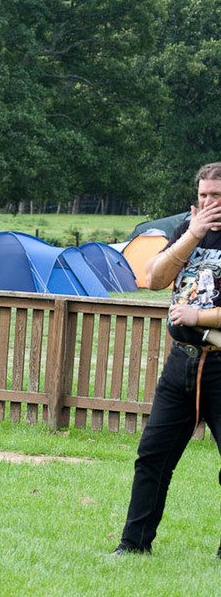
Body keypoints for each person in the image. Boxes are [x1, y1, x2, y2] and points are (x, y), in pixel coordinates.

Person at [110, 161, 221, 556]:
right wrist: (192, 234)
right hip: (182, 364)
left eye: (217, 197)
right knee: (152, 457)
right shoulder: (186, 234)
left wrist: (199, 316)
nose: (209, 203)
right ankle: (133, 546)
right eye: (203, 196)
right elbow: (154, 278)